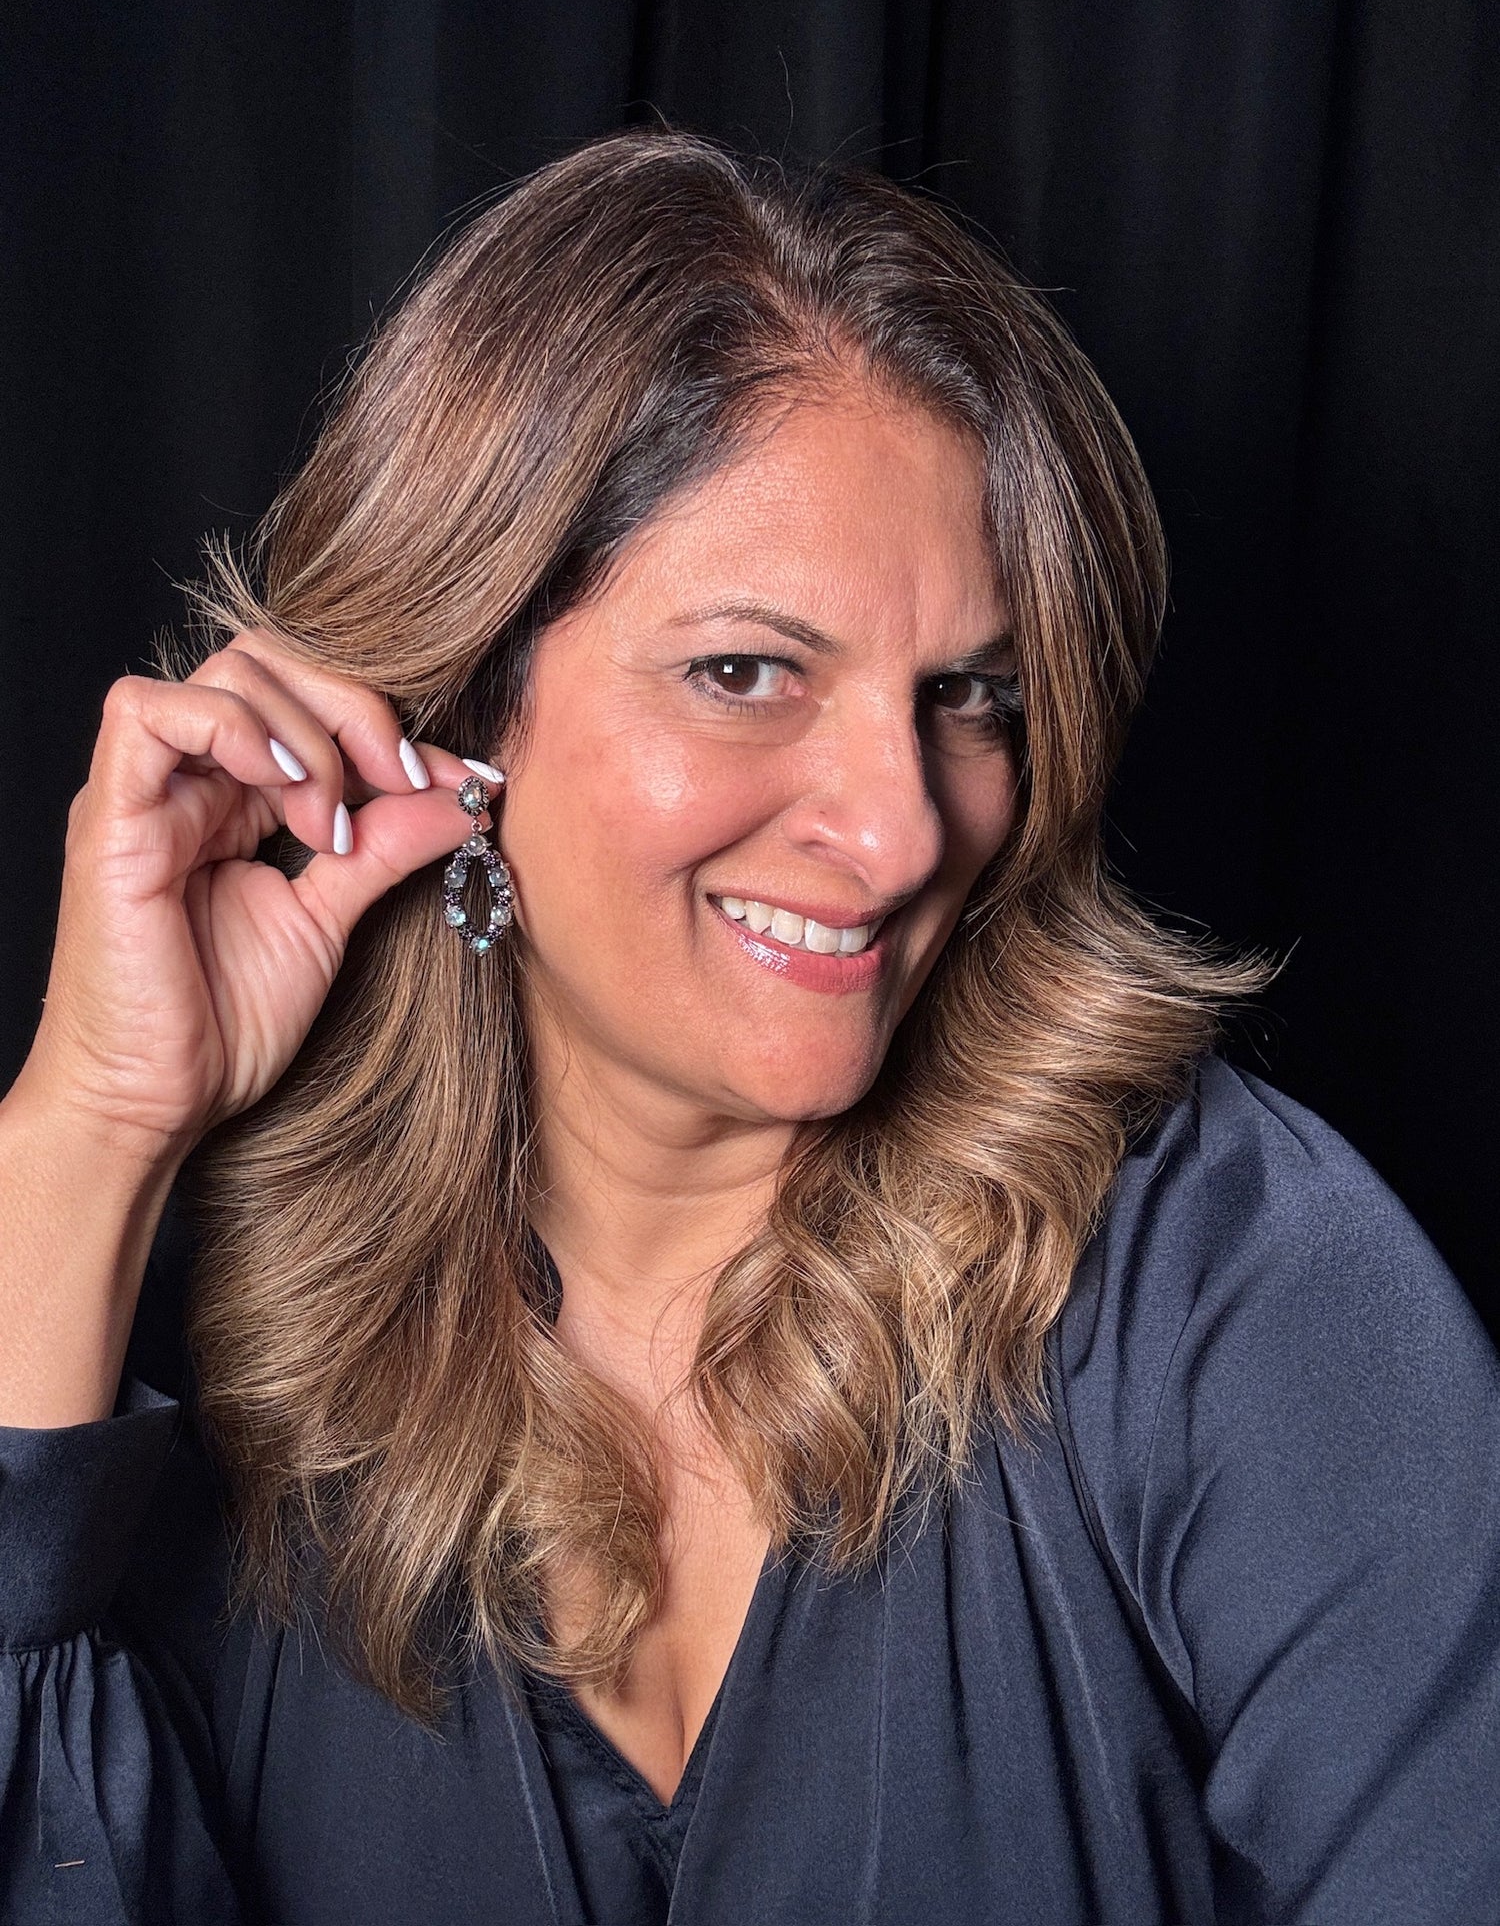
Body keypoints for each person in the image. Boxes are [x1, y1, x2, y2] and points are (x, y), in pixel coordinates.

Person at [1, 128, 1496, 1926]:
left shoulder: (1228, 1287)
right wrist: (88, 1128)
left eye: (969, 697)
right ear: (456, 708)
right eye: (745, 673)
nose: (902, 828)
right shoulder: (238, 1338)